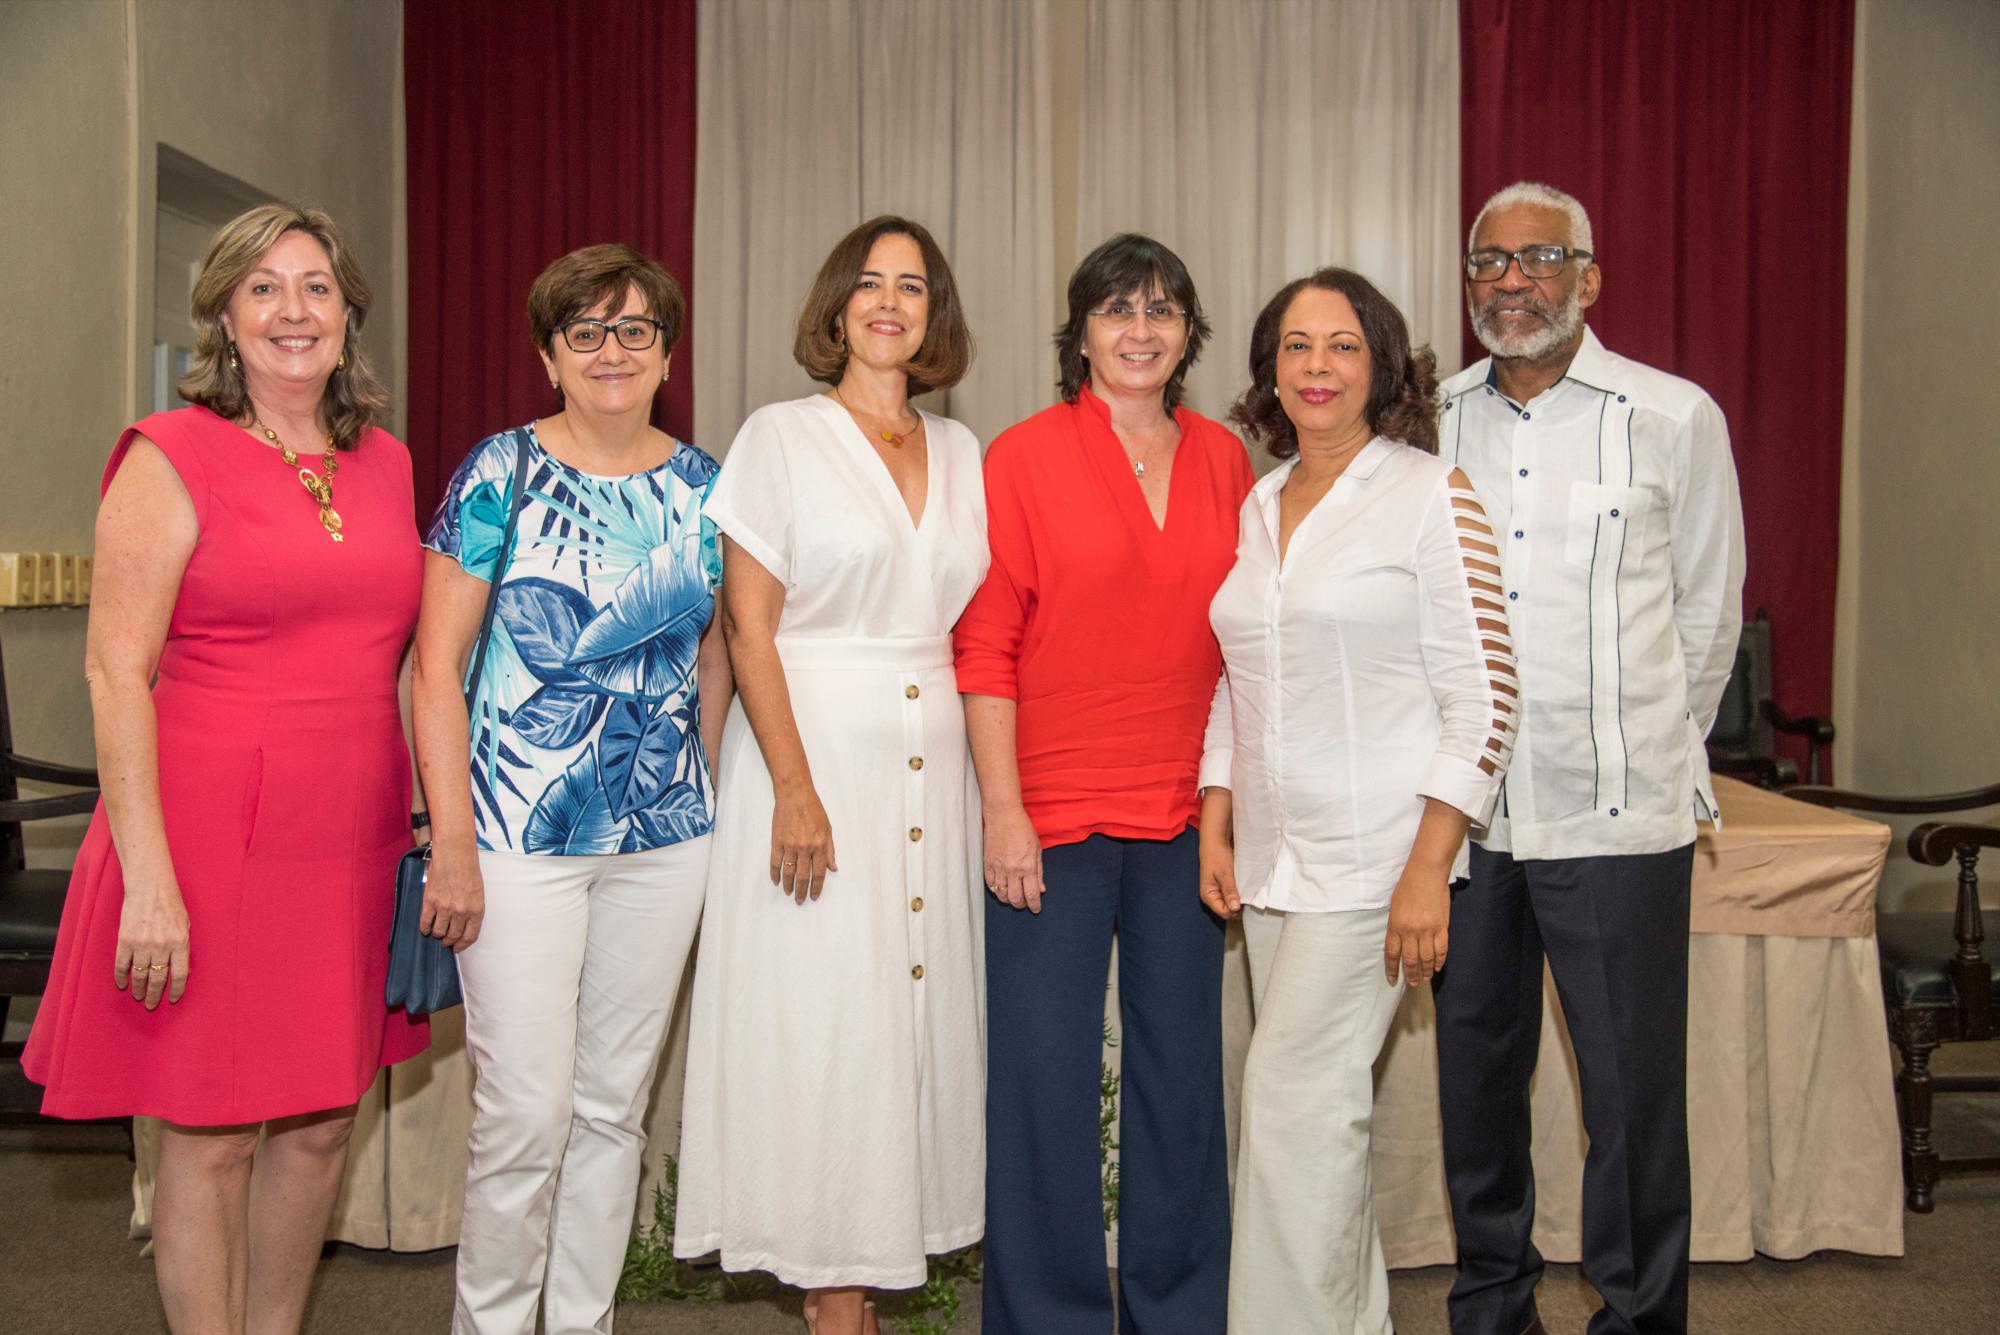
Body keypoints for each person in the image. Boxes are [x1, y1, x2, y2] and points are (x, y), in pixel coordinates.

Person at [22, 203, 426, 1333]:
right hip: (210, 834)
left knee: (324, 1121)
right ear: (224, 317)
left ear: (347, 316)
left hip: (350, 832)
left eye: (315, 287)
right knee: (212, 1131)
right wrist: (148, 879)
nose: (293, 310)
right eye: (263, 287)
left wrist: (427, 819)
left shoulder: (388, 463)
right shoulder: (169, 454)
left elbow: (405, 658)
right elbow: (115, 673)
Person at [1432, 181, 1745, 1335]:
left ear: (1588, 278)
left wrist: (1647, 748)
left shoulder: (1672, 416)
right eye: (1488, 262)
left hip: (1617, 820)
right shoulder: (1430, 419)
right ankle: (1491, 1311)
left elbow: (1706, 616)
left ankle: (1636, 1317)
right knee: (1474, 1090)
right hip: (1467, 824)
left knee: (1629, 1103)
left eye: (1539, 258)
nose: (1510, 281)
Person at [673, 216, 986, 1335]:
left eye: (912, 285)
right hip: (811, 761)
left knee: (903, 1025)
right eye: (869, 283)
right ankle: (832, 1301)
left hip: (929, 770)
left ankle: (857, 1278)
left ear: (934, 313)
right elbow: (746, 627)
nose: (889, 302)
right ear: (836, 308)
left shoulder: (963, 452)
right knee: (824, 1027)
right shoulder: (780, 436)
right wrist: (794, 788)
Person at [411, 244, 725, 1335]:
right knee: (523, 1116)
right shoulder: (496, 473)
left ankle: (582, 1321)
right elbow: (433, 670)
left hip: (665, 840)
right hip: (513, 839)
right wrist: (451, 839)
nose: (611, 351)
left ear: (667, 354)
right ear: (549, 356)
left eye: (635, 329)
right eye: (584, 332)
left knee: (612, 1112)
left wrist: (703, 795)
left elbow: (716, 659)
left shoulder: (707, 489)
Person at [1198, 268, 1517, 1334]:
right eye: (1296, 346)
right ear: (1269, 371)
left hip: (1379, 858)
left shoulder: (1430, 492)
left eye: (1342, 345)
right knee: (1317, 1118)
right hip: (1274, 861)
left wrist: (1428, 865)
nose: (1318, 366)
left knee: (1291, 1106)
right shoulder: (1259, 503)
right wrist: (1215, 809)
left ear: (1381, 366)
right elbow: (1238, 677)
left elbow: (1487, 695)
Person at [954, 233, 1252, 1335]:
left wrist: (1226, 810)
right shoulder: (1021, 457)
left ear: (1189, 335)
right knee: (1044, 1084)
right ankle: (1048, 1318)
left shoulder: (1225, 460)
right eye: (1118, 308)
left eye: (1163, 310)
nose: (1140, 328)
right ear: (1078, 332)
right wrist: (1003, 812)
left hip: (1184, 815)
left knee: (1183, 1083)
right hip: (1051, 818)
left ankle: (1179, 1313)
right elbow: (985, 645)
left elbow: (1245, 647)